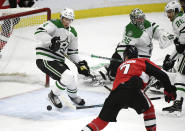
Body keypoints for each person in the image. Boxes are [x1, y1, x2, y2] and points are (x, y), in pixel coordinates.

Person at [81, 45, 177, 131]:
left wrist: (124, 102)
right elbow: (162, 75)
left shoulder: (121, 66)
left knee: (101, 121)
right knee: (149, 109)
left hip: (115, 93)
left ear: (125, 57)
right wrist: (169, 91)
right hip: (133, 90)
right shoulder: (141, 61)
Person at [97, 8, 174, 89]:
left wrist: (164, 35)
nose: (141, 20)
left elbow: (158, 31)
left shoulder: (147, 24)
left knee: (149, 73)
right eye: (138, 18)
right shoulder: (131, 30)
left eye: (142, 17)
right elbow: (122, 47)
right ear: (133, 19)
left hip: (145, 57)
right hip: (138, 58)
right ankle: (112, 71)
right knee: (124, 59)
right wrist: (126, 60)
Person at [34, 8, 90, 108]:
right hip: (45, 57)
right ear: (61, 17)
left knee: (71, 78)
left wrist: (80, 64)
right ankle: (53, 95)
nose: (67, 22)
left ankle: (74, 97)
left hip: (58, 59)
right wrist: (51, 41)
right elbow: (38, 32)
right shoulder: (53, 24)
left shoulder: (73, 33)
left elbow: (72, 52)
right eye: (65, 19)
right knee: (67, 75)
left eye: (69, 20)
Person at [161, 1, 185, 115]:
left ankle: (178, 104)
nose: (169, 15)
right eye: (167, 12)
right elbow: (180, 46)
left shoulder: (177, 20)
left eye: (170, 12)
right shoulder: (181, 17)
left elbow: (182, 45)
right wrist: (171, 58)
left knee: (180, 75)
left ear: (176, 10)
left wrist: (171, 59)